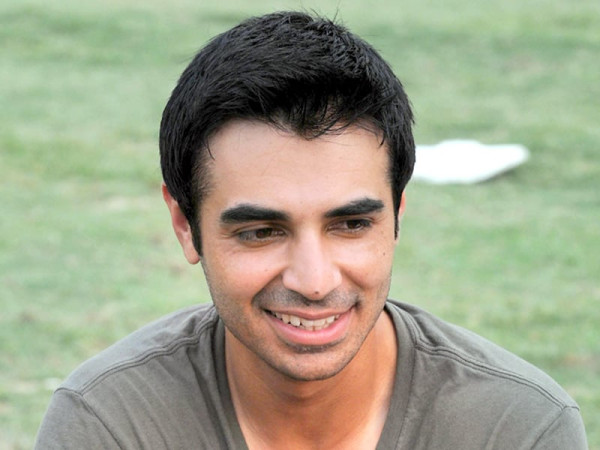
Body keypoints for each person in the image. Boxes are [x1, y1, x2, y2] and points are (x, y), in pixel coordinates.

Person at [35, 11, 587, 449]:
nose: (315, 281)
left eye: (351, 224)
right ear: (184, 225)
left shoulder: (515, 428)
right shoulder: (110, 425)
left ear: (397, 215)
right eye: (260, 232)